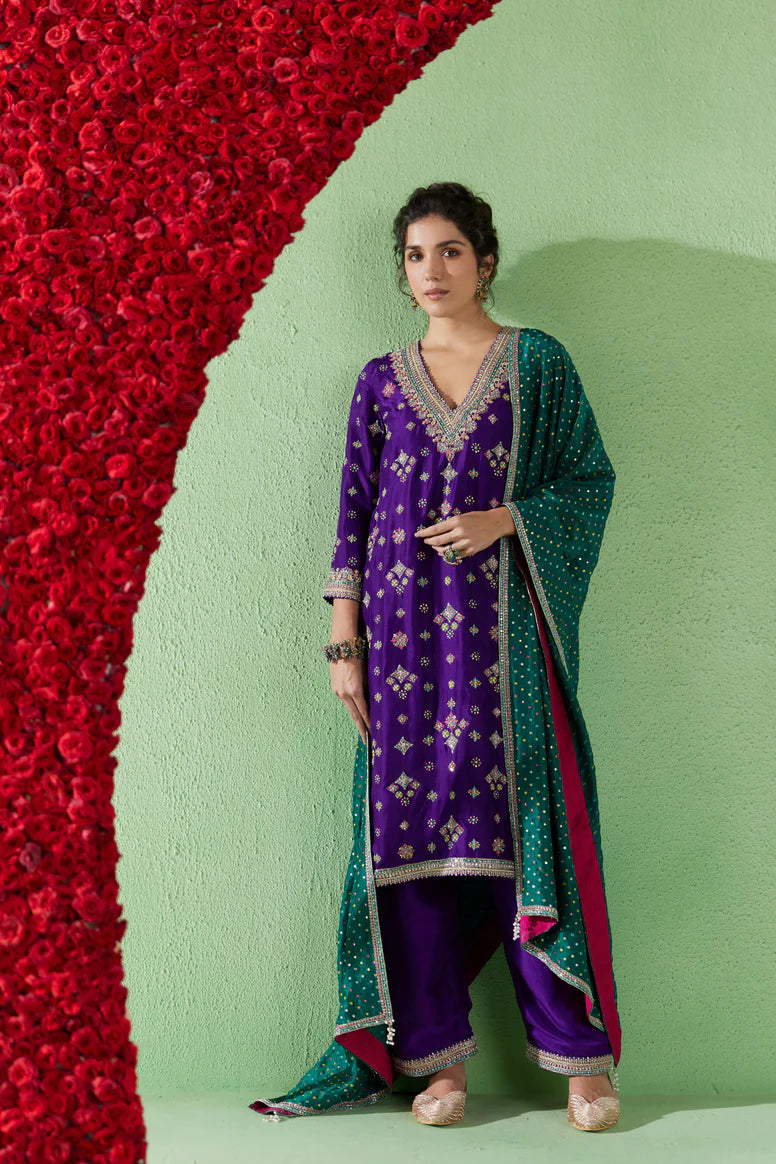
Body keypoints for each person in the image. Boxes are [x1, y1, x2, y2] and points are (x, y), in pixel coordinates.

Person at [250, 182, 621, 1132]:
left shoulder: (536, 363)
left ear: (484, 261)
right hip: (402, 643)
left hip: (505, 645)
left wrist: (508, 518)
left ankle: (578, 1056)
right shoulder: (380, 381)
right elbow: (353, 517)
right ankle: (437, 1062)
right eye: (415, 256)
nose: (432, 271)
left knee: (523, 835)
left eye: (450, 251)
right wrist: (345, 646)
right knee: (409, 849)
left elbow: (589, 481)